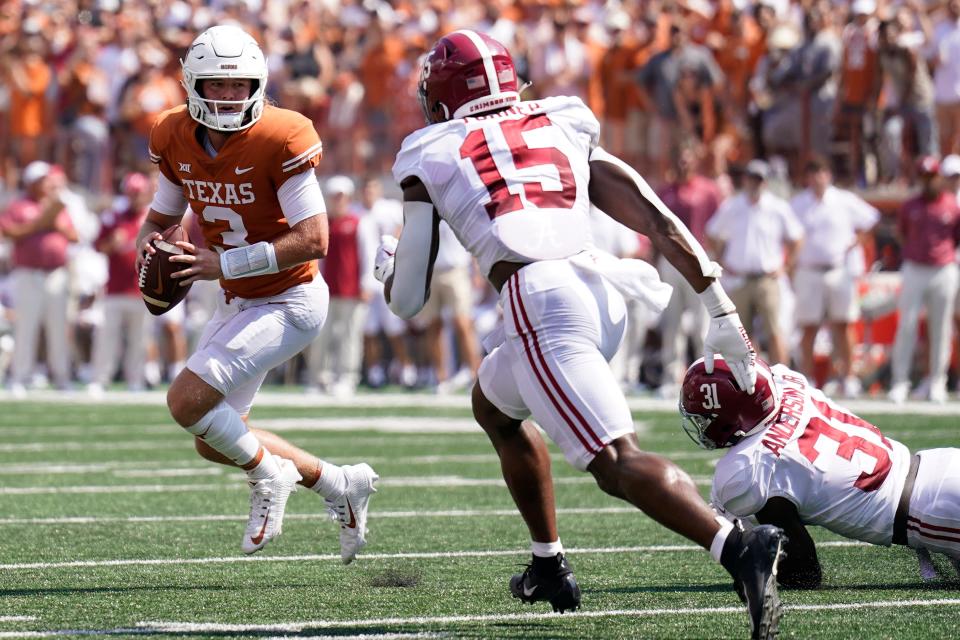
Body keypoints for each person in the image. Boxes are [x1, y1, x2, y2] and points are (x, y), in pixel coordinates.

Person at [377, 30, 785, 640]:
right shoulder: (562, 118)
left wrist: (388, 270)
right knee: (493, 405)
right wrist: (720, 308)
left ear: (437, 98)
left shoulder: (428, 148)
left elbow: (408, 299)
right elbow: (653, 215)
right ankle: (548, 564)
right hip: (601, 291)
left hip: (541, 304)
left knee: (615, 462)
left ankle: (735, 546)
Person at [133, 25, 376, 563]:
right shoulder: (172, 133)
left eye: (239, 85)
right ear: (193, 85)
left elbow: (315, 239)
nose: (228, 96)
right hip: (238, 299)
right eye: (216, 86)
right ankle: (341, 485)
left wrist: (223, 262)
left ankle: (270, 475)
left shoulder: (281, 135)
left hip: (290, 299)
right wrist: (147, 245)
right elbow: (163, 214)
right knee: (211, 435)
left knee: (186, 402)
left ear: (258, 84)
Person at [679, 355, 960, 588]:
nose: (702, 426)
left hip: (931, 511)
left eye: (706, 418)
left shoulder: (749, 470)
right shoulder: (786, 379)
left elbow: (804, 573)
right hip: (938, 462)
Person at [789, 156, 878, 398]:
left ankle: (848, 377)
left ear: (828, 175)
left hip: (839, 269)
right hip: (808, 270)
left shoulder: (844, 200)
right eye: (813, 173)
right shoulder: (797, 204)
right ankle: (807, 378)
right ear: (807, 178)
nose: (818, 178)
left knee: (843, 325)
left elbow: (871, 220)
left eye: (822, 172)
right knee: (809, 327)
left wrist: (856, 242)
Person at [706, 159, 803, 367]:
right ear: (745, 180)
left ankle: (781, 378)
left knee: (775, 331)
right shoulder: (732, 206)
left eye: (758, 180)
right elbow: (712, 233)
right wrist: (722, 260)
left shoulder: (777, 207)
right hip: (739, 278)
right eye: (751, 179)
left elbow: (796, 237)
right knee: (743, 335)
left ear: (765, 183)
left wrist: (786, 266)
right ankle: (753, 377)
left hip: (767, 278)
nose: (754, 184)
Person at [0, 161, 78, 395]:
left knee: (58, 328)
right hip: (28, 273)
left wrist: (54, 224)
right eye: (43, 179)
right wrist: (38, 225)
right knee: (26, 326)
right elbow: (8, 232)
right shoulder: (19, 205)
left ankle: (62, 377)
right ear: (32, 183)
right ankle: (20, 377)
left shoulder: (57, 206)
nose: (47, 183)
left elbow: (73, 235)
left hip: (56, 273)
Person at [887, 156, 960, 404]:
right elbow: (901, 234)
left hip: (943, 268)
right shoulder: (910, 206)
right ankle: (900, 382)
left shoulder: (952, 205)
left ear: (938, 177)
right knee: (906, 325)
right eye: (925, 177)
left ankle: (938, 382)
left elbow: (956, 237)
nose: (929, 182)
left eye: (932, 177)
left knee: (941, 328)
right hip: (915, 268)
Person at [89, 172, 154, 394]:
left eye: (139, 193)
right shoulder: (114, 217)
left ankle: (136, 380)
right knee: (107, 337)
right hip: (116, 288)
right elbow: (97, 246)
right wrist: (112, 243)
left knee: (140, 339)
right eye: (132, 193)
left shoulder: (153, 218)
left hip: (143, 289)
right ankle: (100, 379)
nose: (136, 198)